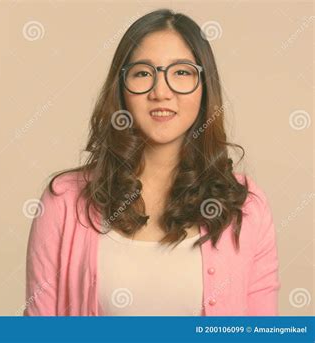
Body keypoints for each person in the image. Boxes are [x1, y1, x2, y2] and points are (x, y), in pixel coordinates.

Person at [23, 8, 280, 316]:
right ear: (121, 88)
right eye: (143, 73)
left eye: (182, 72)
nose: (161, 92)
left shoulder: (247, 206)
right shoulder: (63, 201)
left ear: (204, 87)